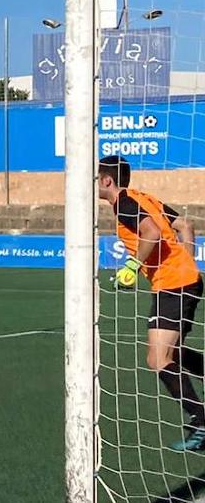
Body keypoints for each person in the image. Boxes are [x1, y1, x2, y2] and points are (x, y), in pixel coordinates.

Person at [100, 155, 205, 451]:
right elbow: (185, 225)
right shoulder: (144, 198)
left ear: (106, 180)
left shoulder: (124, 203)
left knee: (157, 359)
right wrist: (186, 260)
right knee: (174, 353)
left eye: (96, 179)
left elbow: (153, 233)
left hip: (173, 285)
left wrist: (133, 265)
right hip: (186, 280)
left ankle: (201, 418)